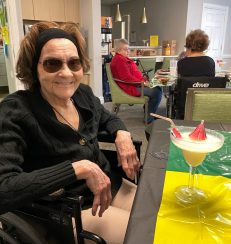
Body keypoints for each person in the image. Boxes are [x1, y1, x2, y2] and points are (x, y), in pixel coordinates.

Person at [0, 21, 140, 244]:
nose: (66, 73)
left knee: (160, 213)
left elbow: (108, 117)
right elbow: (4, 189)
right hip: (70, 209)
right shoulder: (15, 110)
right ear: (34, 68)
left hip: (111, 185)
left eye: (74, 63)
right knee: (148, 233)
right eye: (52, 64)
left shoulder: (82, 94)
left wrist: (122, 134)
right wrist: (78, 168)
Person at [110, 38, 162, 124]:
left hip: (134, 85)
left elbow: (129, 75)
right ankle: (148, 118)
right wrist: (143, 83)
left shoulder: (121, 58)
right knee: (157, 91)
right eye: (126, 49)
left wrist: (143, 81)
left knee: (157, 88)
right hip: (129, 88)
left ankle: (148, 113)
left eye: (128, 49)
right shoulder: (119, 60)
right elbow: (126, 78)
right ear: (119, 50)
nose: (128, 51)